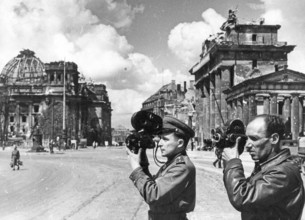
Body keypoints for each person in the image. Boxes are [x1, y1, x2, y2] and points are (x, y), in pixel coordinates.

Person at [222, 114, 305, 220]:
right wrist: (228, 164)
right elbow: (239, 189)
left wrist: (233, 163)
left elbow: (242, 198)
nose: (248, 144)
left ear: (274, 139)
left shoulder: (283, 172)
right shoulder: (266, 166)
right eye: (246, 138)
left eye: (254, 139)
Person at [126, 116, 196, 220]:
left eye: (165, 139)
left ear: (180, 143)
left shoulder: (182, 167)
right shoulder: (172, 163)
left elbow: (153, 195)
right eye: (160, 139)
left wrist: (136, 168)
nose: (159, 144)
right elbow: (152, 184)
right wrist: (142, 160)